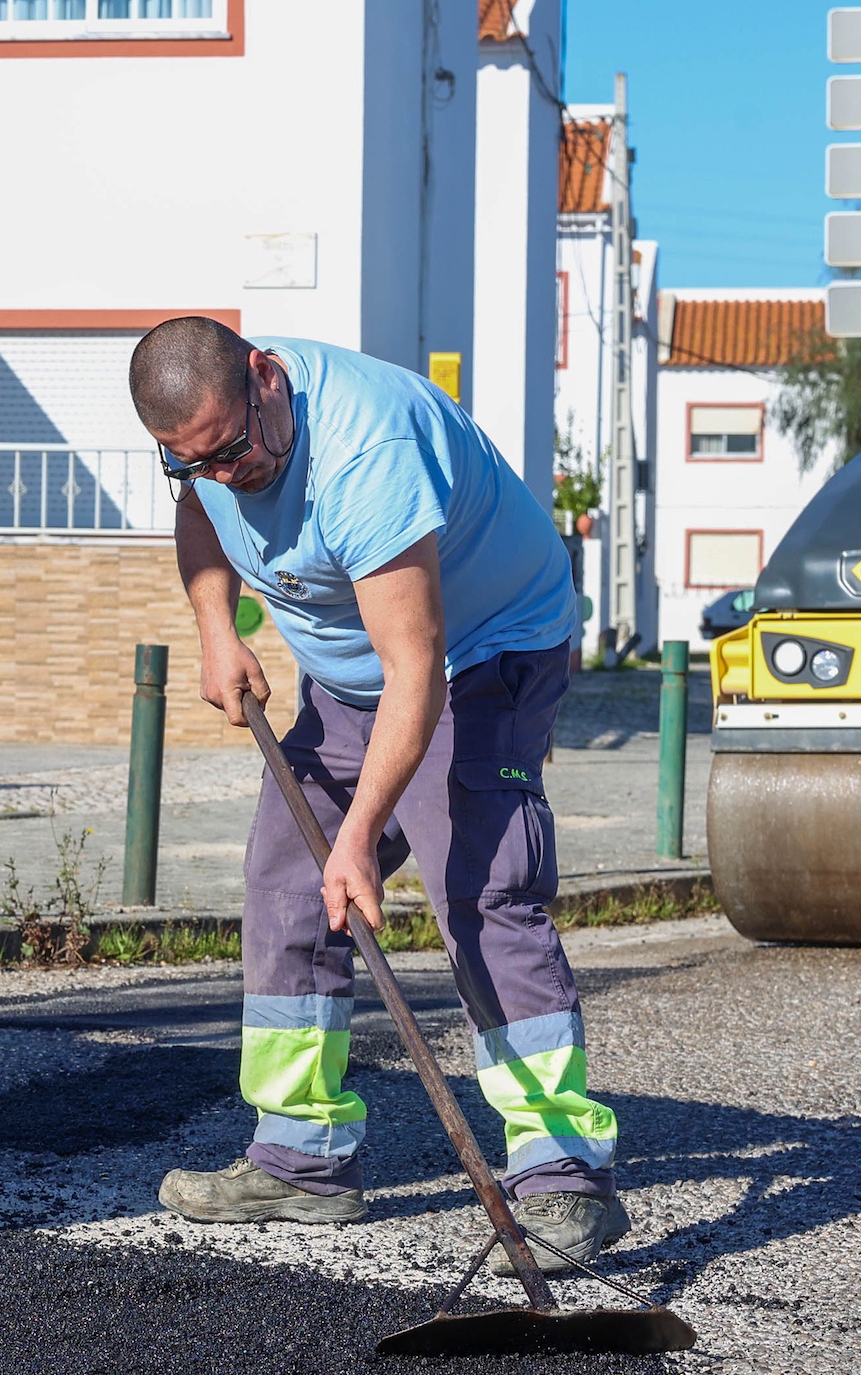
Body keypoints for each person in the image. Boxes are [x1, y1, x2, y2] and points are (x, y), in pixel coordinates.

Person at [131, 316, 624, 1265]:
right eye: (191, 462)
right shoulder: (208, 449)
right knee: (285, 886)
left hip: (484, 657)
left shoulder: (369, 452)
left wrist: (358, 838)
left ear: (266, 381)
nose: (223, 476)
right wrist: (215, 629)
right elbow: (202, 518)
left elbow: (419, 668)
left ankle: (563, 1173)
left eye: (232, 452)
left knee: (480, 894)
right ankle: (300, 1160)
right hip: (355, 679)